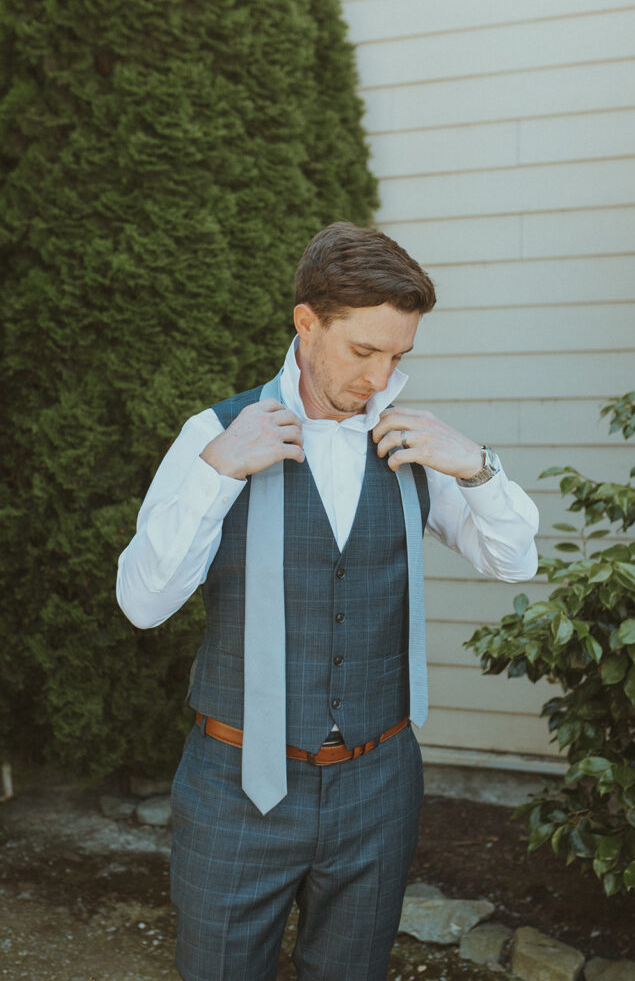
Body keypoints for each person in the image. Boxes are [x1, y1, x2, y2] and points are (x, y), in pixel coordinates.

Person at [117, 221, 539, 981]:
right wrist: (218, 473)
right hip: (237, 783)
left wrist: (477, 468)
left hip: (378, 787)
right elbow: (142, 602)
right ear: (306, 324)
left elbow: (513, 560)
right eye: (362, 352)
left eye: (398, 356)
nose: (380, 380)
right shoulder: (213, 434)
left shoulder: (412, 443)